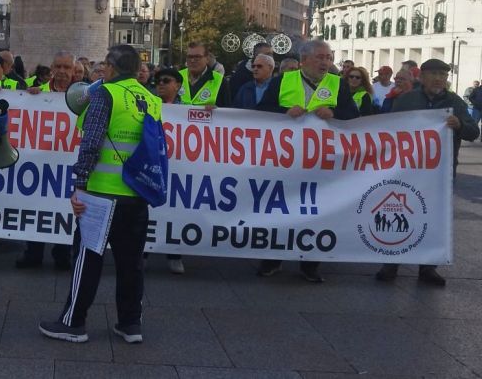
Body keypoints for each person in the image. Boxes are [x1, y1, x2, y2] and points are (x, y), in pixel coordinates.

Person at [40, 44, 161, 345]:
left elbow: (91, 142)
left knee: (87, 257)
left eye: (105, 65)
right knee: (131, 262)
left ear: (112, 67)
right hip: (137, 193)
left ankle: (73, 322)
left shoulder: (106, 94)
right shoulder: (150, 98)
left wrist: (78, 184)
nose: (102, 70)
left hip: (102, 193)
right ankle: (131, 323)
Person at [256, 40, 359, 283]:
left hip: (322, 161)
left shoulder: (338, 84)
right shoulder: (283, 81)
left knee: (317, 211)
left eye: (329, 57)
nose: (325, 62)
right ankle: (272, 260)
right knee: (280, 209)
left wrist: (334, 114)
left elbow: (354, 117)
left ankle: (310, 264)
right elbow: (261, 112)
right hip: (286, 159)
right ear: (304, 60)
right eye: (320, 57)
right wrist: (283, 114)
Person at [376, 59, 479, 286]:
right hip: (406, 171)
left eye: (443, 74)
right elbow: (389, 129)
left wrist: (459, 125)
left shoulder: (455, 102)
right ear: (421, 77)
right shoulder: (407, 100)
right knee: (398, 215)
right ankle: (391, 264)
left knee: (434, 220)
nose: (438, 78)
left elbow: (473, 131)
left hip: (439, 174)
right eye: (433, 74)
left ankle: (428, 268)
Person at [18, 52, 75, 270]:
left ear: (73, 70)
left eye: (66, 67)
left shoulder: (83, 95)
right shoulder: (39, 93)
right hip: (41, 162)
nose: (62, 71)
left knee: (65, 208)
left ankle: (62, 254)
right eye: (58, 66)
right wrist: (29, 97)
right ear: (52, 68)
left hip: (68, 163)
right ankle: (33, 252)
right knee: (36, 206)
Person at [154, 67, 184, 274]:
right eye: (158, 81)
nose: (161, 84)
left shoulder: (187, 110)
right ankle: (144, 253)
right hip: (154, 163)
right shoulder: (149, 104)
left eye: (166, 80)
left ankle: (174, 255)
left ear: (178, 85)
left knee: (176, 211)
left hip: (179, 167)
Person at [179, 41, 231, 108]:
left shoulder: (220, 81)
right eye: (189, 57)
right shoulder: (177, 77)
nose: (192, 60)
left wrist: (217, 110)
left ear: (207, 59)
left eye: (197, 57)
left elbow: (227, 112)